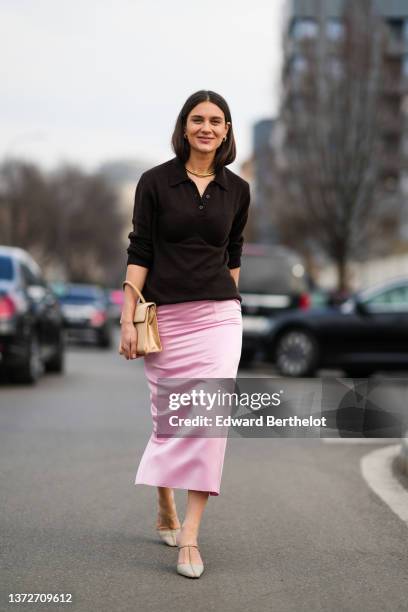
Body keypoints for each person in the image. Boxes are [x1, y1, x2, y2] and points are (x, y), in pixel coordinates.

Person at [119, 90, 250, 578]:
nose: (207, 128)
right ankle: (165, 501)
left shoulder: (238, 189)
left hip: (218, 317)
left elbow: (232, 256)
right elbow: (140, 249)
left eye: (216, 121)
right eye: (198, 119)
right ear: (184, 126)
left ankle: (190, 538)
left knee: (209, 421)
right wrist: (127, 317)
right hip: (166, 318)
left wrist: (227, 306)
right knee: (170, 421)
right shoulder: (155, 183)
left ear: (227, 130)